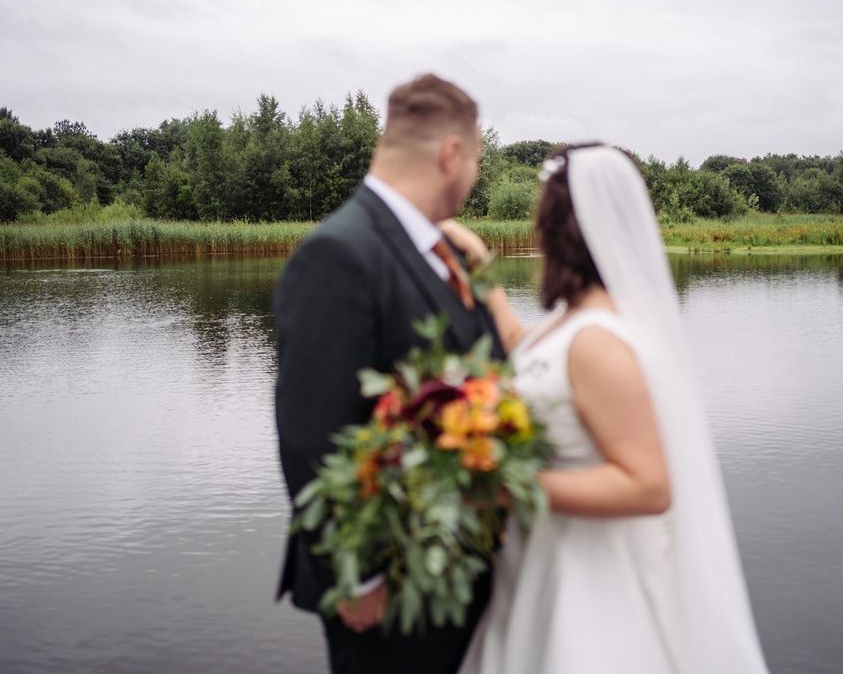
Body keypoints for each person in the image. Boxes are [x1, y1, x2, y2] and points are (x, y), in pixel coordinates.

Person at [443, 144, 771, 673]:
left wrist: (506, 483)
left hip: (591, 586)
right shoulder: (573, 324)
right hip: (541, 568)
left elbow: (648, 485)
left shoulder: (600, 340)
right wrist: (480, 272)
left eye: (540, 222)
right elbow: (530, 359)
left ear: (559, 232)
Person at [273, 73, 504, 674]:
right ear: (451, 154)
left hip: (451, 566)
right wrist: (360, 574)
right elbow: (311, 435)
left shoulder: (441, 250)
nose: (474, 175)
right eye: (477, 159)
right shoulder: (340, 253)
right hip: (389, 589)